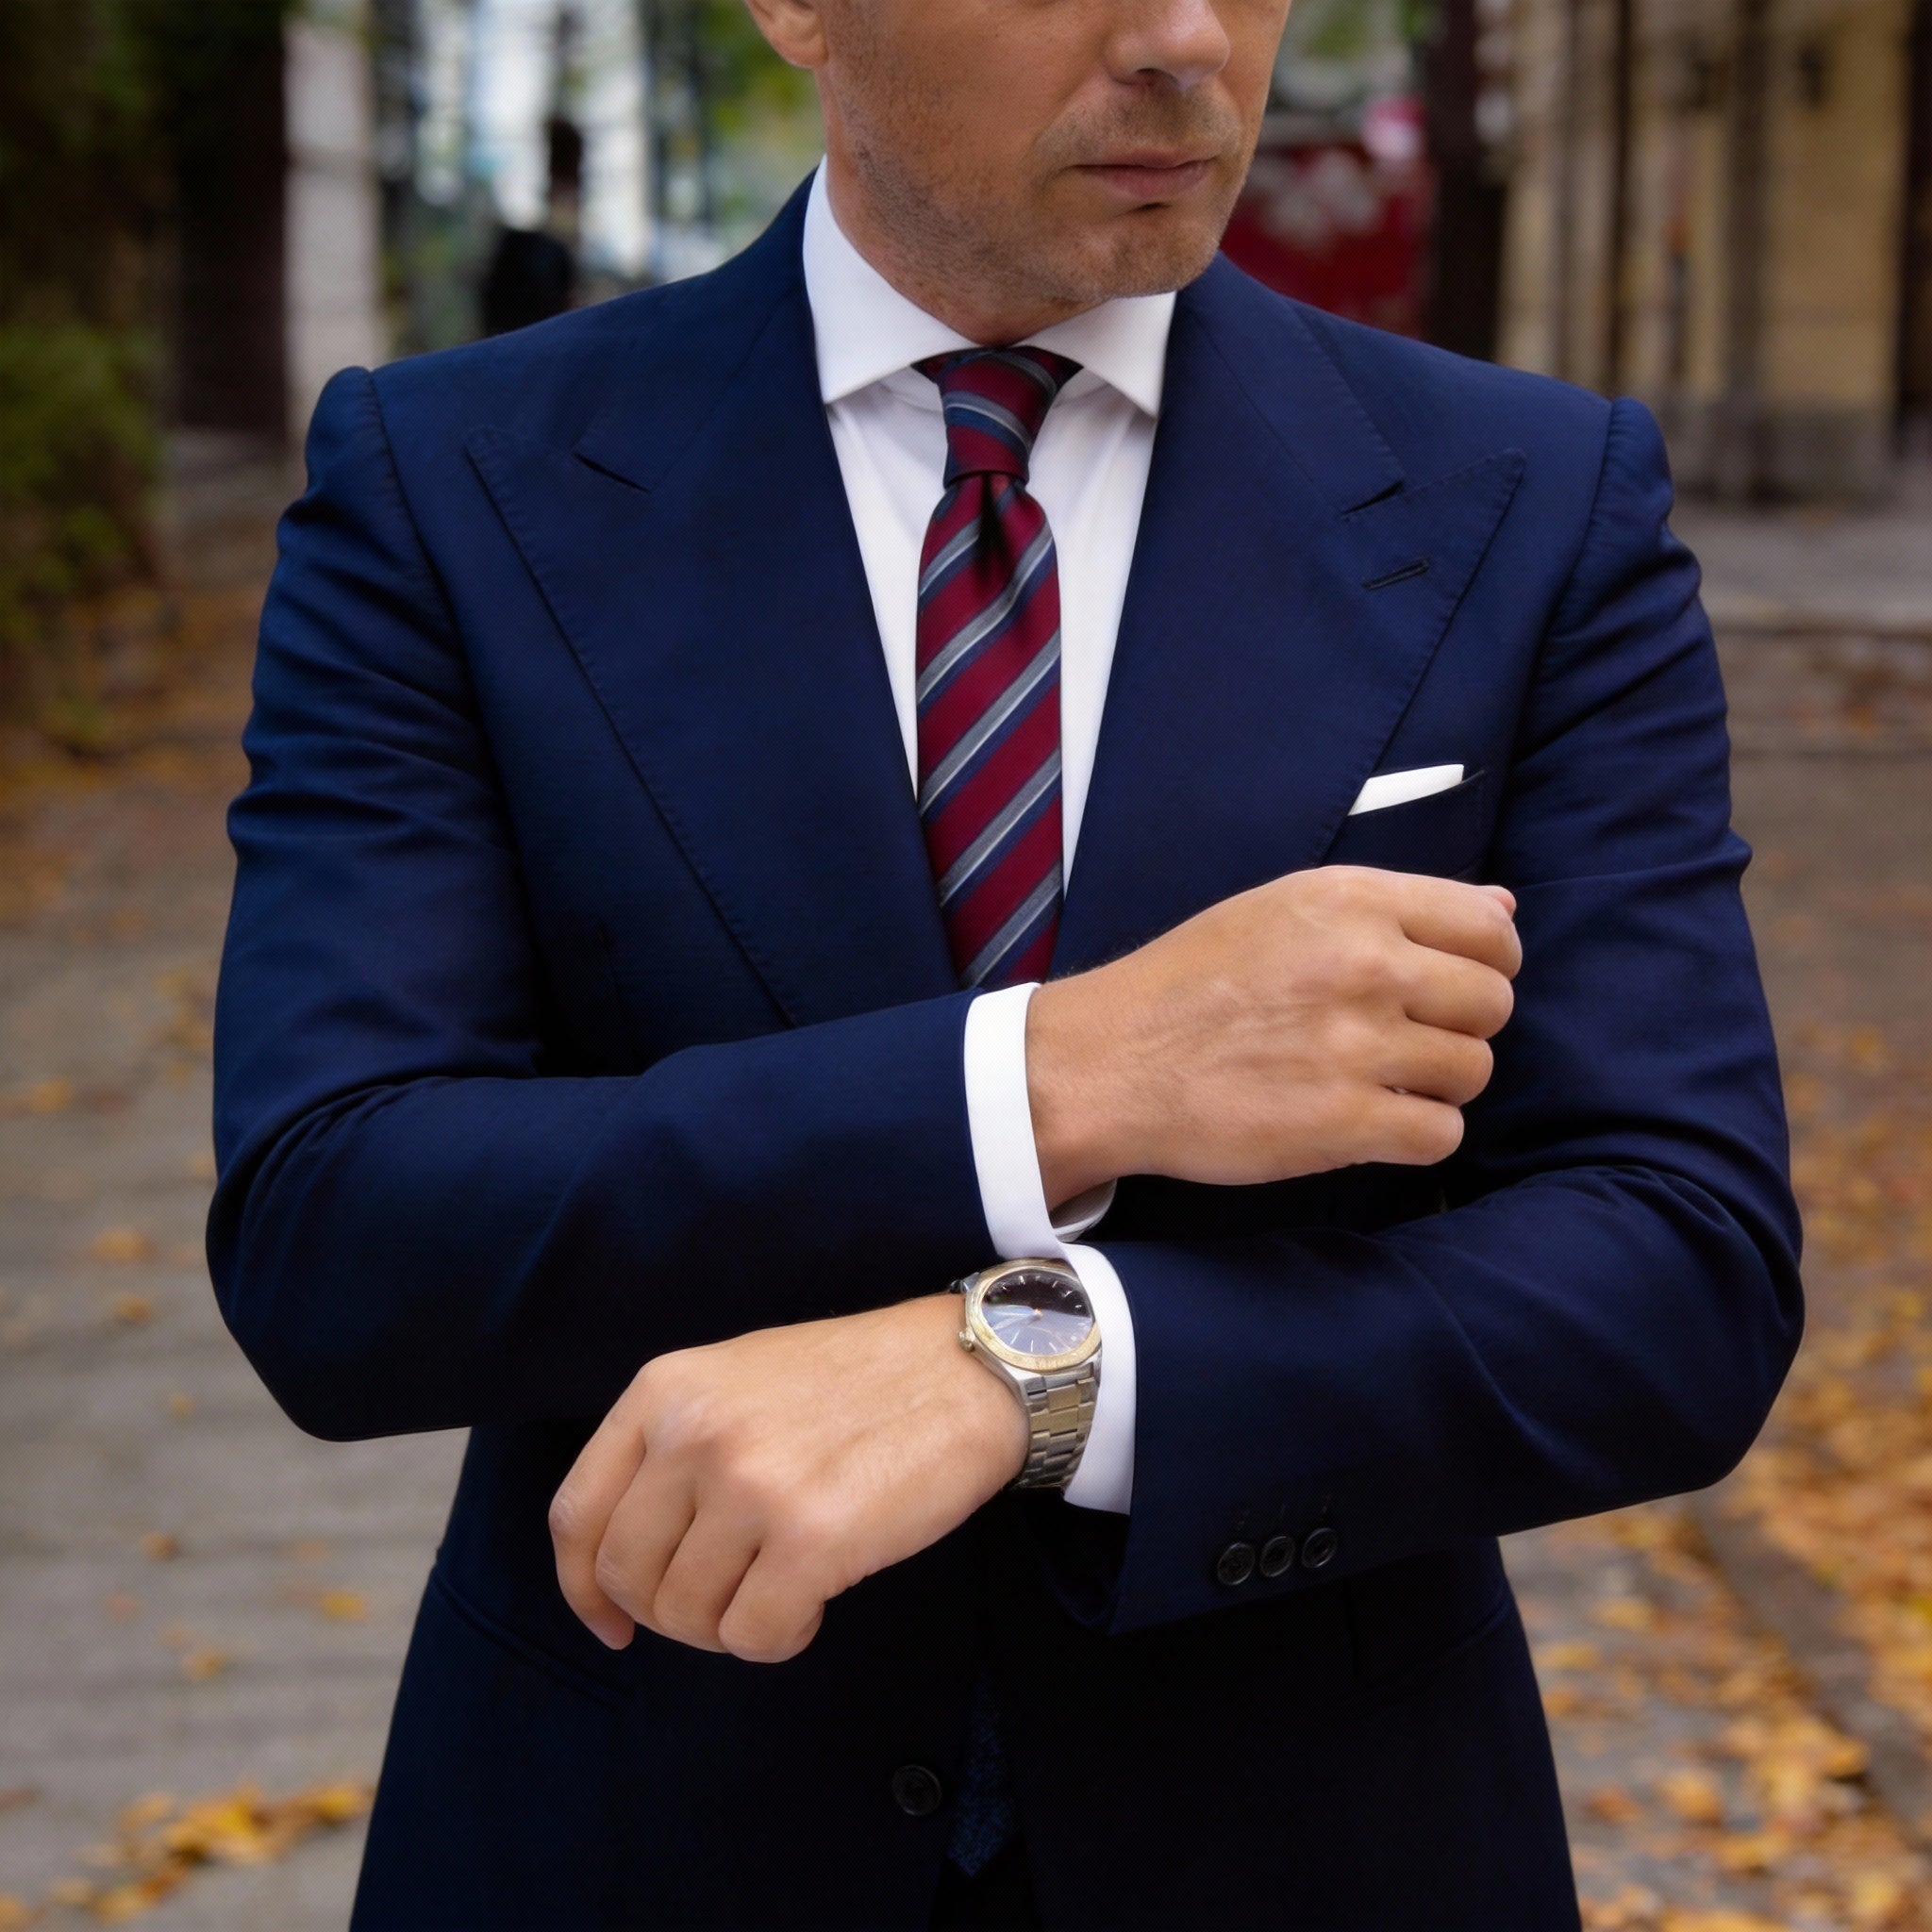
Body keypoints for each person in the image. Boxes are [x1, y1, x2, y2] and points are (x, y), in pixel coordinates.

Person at [208, 1, 1802, 1926]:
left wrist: (1033, 1371)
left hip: (1316, 1840)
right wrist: (1053, 1078)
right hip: (641, 1833)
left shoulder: (1531, 502)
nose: (1186, 37)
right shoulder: (452, 484)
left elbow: (1677, 1262)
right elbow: (337, 1234)